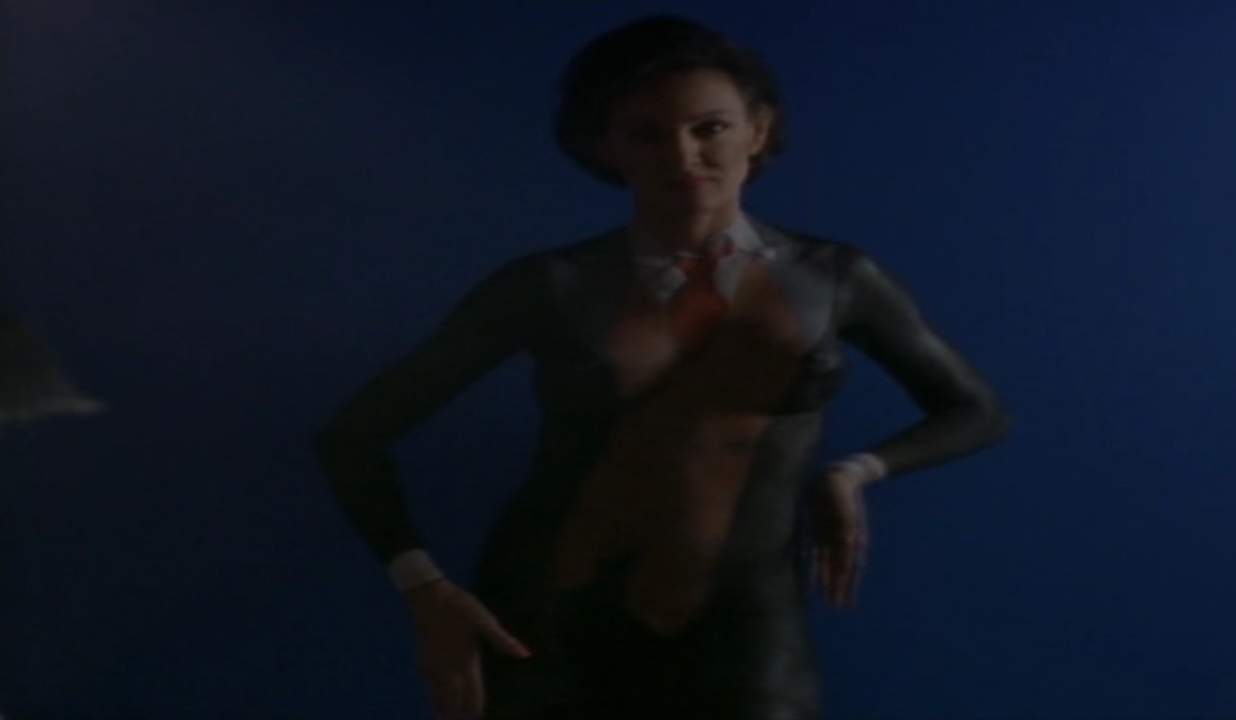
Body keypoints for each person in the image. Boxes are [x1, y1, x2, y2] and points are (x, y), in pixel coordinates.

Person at [315, 15, 1009, 720]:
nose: (683, 155)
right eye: (646, 134)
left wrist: (854, 471)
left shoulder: (833, 277)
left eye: (711, 127)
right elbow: (352, 437)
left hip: (745, 630)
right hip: (546, 625)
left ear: (757, 130)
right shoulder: (549, 285)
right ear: (605, 147)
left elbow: (977, 410)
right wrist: (425, 590)